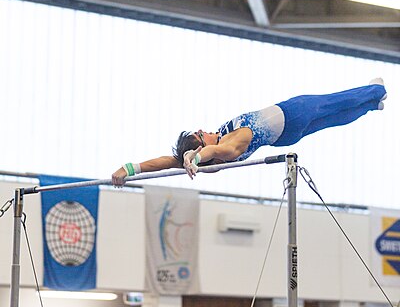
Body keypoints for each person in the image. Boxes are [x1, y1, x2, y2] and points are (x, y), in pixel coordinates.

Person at [112, 79, 387, 184]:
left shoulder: (215, 150)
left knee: (335, 119)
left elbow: (165, 163)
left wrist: (129, 168)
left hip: (285, 136)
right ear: (201, 149)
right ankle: (377, 90)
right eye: (200, 135)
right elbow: (211, 151)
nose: (203, 130)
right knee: (334, 102)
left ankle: (373, 104)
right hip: (291, 113)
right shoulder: (226, 147)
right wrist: (195, 157)